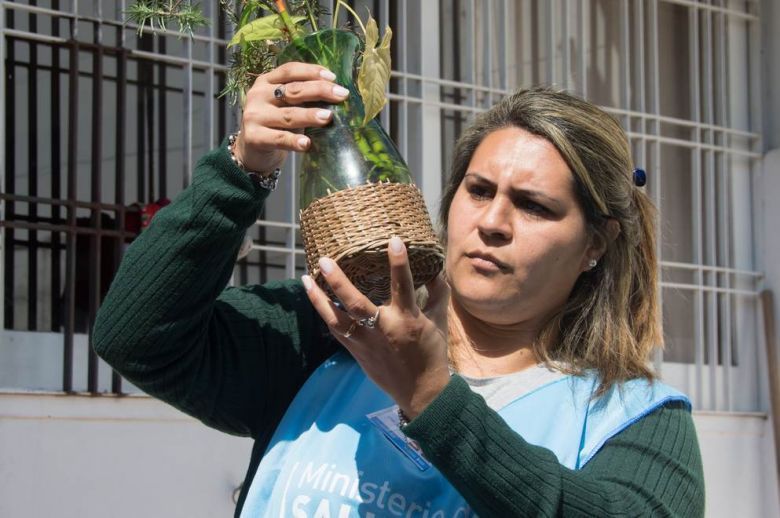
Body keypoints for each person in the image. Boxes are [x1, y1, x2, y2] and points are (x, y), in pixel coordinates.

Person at [93, 61, 705, 517]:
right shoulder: (332, 334)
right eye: (479, 189)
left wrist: (432, 396)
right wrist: (242, 171)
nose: (492, 222)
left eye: (535, 206)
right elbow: (138, 337)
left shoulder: (628, 418)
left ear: (595, 243)